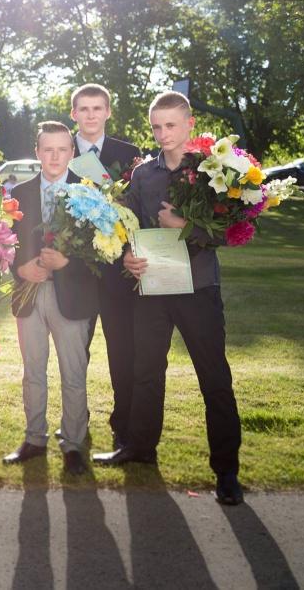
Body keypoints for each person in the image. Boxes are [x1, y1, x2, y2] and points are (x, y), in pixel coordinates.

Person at [94, 91, 244, 507]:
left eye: (171, 125)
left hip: (199, 290)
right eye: (156, 127)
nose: (163, 134)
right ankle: (141, 448)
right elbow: (130, 227)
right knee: (145, 372)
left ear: (189, 124)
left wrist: (183, 225)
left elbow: (229, 233)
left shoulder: (215, 170)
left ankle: (227, 471)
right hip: (154, 287)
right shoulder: (143, 175)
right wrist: (128, 256)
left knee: (214, 379)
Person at [3, 122, 97, 476]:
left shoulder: (89, 193)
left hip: (72, 297)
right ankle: (34, 438)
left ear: (72, 152)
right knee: (33, 372)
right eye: (48, 149)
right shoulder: (18, 194)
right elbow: (4, 242)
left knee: (73, 373)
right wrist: (20, 267)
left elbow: (103, 250)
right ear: (37, 152)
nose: (55, 157)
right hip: (29, 295)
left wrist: (68, 263)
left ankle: (73, 443)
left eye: (62, 149)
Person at [70, 83, 142, 453]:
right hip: (74, 273)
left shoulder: (129, 154)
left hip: (117, 271)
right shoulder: (60, 149)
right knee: (73, 353)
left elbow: (139, 211)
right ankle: (74, 422)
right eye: (83, 109)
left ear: (108, 112)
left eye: (97, 108)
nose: (91, 115)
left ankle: (124, 425)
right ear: (74, 114)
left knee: (122, 351)